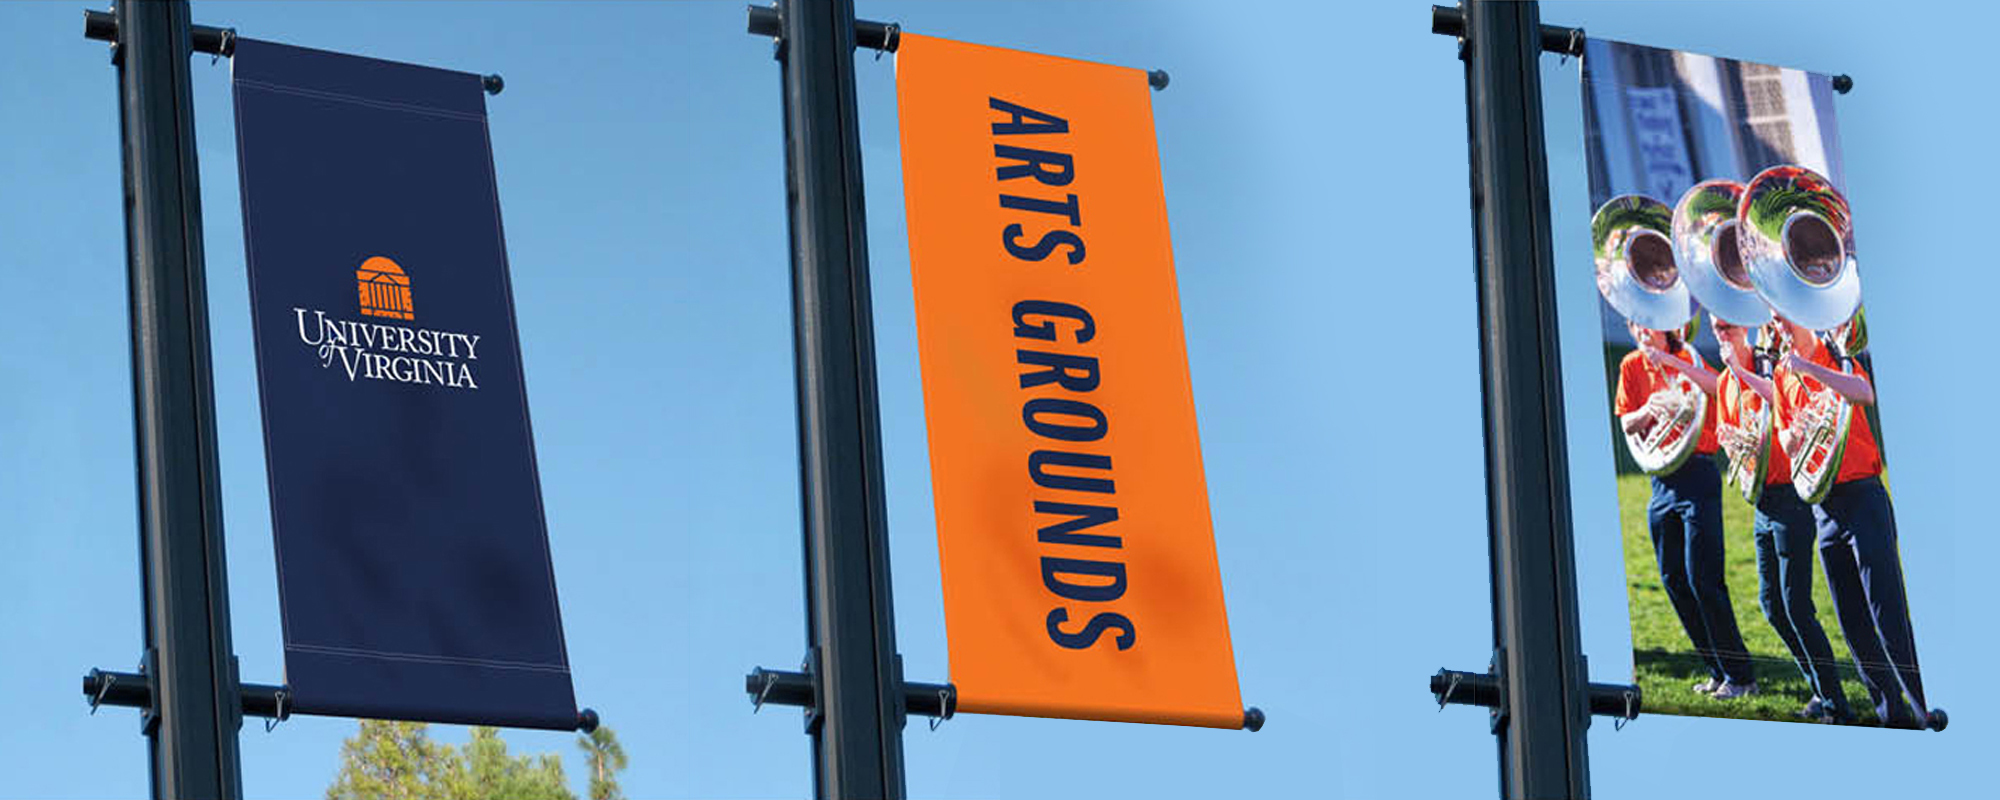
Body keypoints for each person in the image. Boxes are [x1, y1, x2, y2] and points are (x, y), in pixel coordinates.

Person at [1773, 314, 1928, 727]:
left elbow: (1864, 392)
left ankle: (1922, 708)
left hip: (1863, 497)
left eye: (1786, 320)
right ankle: (1890, 715)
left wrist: (1809, 369)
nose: (1781, 328)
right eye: (1775, 322)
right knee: (1853, 622)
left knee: (1887, 610)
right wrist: (1797, 431)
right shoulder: (1780, 376)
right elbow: (1785, 438)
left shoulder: (1836, 356)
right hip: (1823, 506)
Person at [1709, 317, 1853, 722]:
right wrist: (1735, 442)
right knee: (1772, 606)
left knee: (1796, 606)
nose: (1722, 331)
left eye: (1728, 325)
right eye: (1717, 326)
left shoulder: (1768, 363)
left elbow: (1780, 406)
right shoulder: (1724, 383)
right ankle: (1820, 690)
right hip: (1762, 504)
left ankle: (1836, 703)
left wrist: (1740, 372)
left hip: (1790, 496)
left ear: (1744, 328)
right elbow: (1727, 432)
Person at [1615, 319, 1757, 699]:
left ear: (1666, 327)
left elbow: (1718, 387)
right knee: (1674, 581)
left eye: (1647, 323)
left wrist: (1670, 362)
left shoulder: (1687, 356)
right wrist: (1648, 410)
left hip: (1697, 474)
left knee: (1704, 581)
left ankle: (1741, 676)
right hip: (1661, 481)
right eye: (1633, 324)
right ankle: (1716, 669)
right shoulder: (1630, 365)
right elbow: (1627, 422)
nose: (1640, 330)